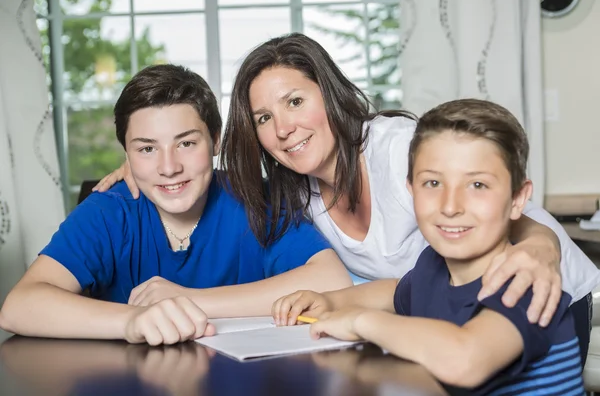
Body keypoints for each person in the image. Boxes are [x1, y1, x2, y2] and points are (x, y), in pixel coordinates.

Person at [95, 33, 600, 357]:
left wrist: (538, 248)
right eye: (265, 118)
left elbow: (508, 203)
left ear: (329, 94)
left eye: (295, 101)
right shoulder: (294, 191)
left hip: (542, 303)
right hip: (448, 318)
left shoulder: (399, 147)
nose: (284, 129)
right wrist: (144, 162)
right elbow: (198, 165)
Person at [0, 64, 352, 346]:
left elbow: (332, 278)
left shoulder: (255, 200)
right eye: (147, 149)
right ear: (127, 154)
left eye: (185, 143)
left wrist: (190, 298)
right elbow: (19, 306)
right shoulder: (111, 211)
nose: (169, 167)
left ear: (215, 141)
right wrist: (133, 320)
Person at [274, 99, 585, 395]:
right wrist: (329, 302)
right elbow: (396, 292)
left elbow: (466, 360)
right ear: (410, 189)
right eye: (433, 184)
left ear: (518, 198)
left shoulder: (526, 281)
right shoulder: (432, 266)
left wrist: (360, 321)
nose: (450, 206)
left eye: (477, 185)